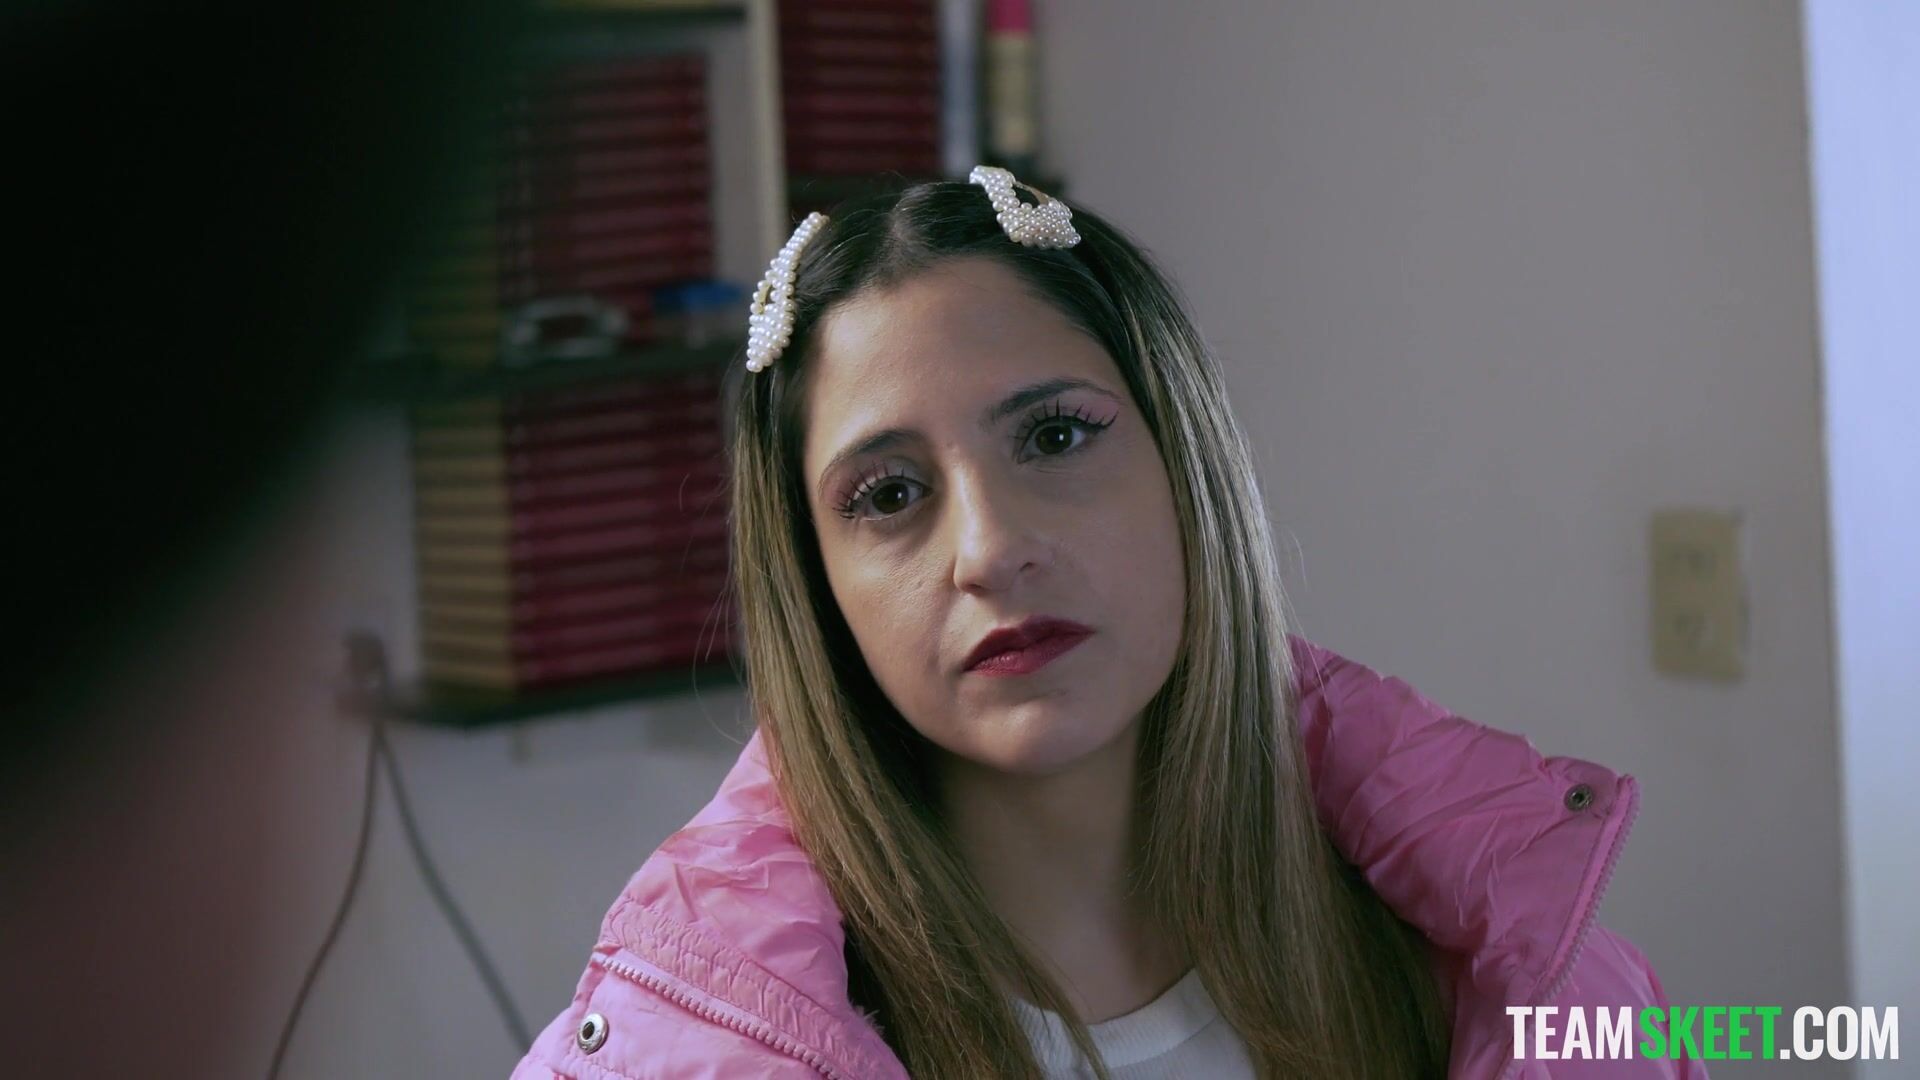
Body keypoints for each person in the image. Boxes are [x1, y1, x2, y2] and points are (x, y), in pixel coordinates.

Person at [510, 168, 1705, 1079]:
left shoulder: (1533, 988)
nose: (989, 548)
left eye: (1054, 436)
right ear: (818, 586)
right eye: (889, 495)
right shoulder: (677, 1055)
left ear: (1188, 466)